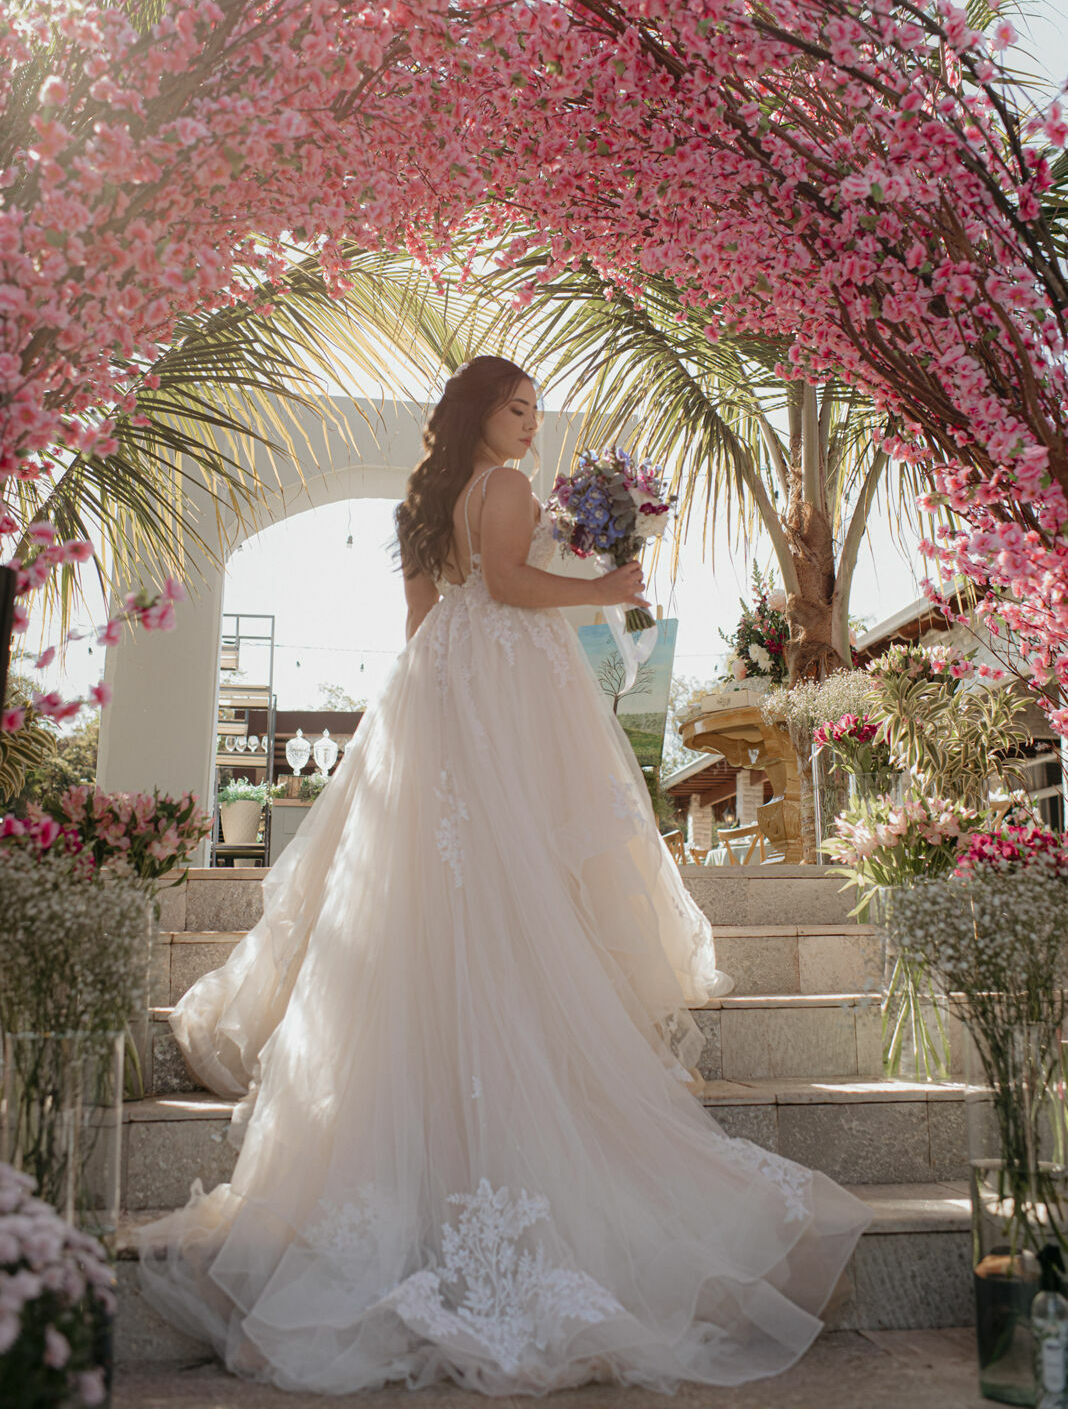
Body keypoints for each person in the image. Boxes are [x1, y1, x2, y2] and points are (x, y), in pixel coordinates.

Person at [140, 356, 871, 1395]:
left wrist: (428, 718)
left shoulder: (422, 500)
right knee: (520, 876)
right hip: (500, 682)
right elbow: (513, 586)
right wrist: (605, 588)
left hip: (440, 688)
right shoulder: (508, 488)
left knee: (448, 898)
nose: (532, 423)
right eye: (518, 407)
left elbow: (421, 622)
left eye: (533, 409)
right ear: (480, 412)